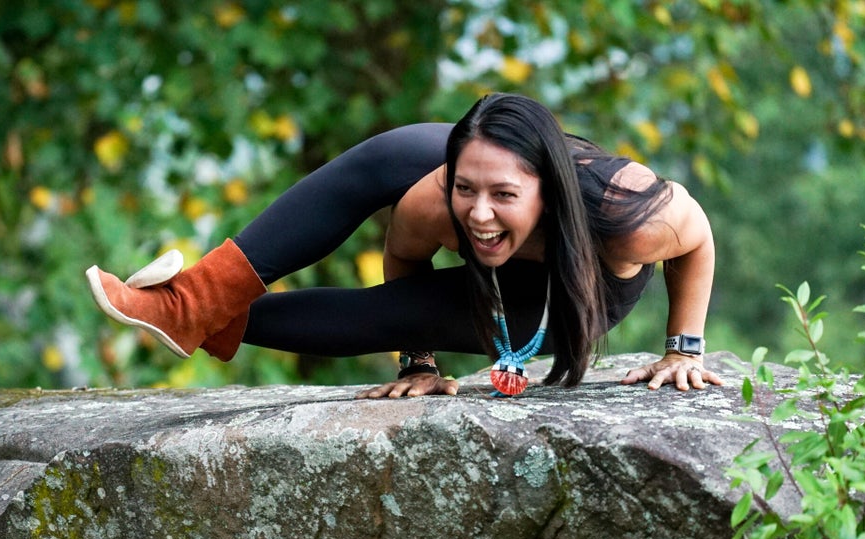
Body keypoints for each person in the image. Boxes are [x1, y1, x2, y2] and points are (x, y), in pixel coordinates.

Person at [86, 92, 723, 397]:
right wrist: (416, 362)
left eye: (502, 195)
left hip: (577, 288)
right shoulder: (437, 199)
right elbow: (407, 261)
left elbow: (698, 241)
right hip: (490, 201)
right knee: (388, 159)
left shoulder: (629, 218)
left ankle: (218, 320)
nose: (477, 215)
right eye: (464, 188)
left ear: (546, 190)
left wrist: (682, 349)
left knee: (388, 314)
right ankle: (193, 302)